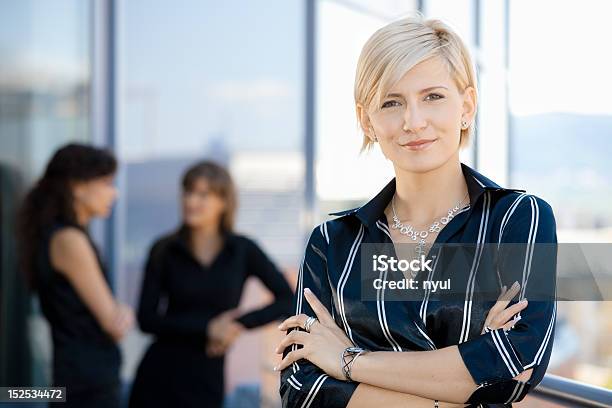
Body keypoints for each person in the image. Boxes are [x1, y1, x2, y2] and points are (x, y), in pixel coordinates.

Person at [276, 15, 557, 408]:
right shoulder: (332, 243)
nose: (413, 121)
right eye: (391, 102)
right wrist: (460, 374)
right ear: (366, 121)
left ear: (467, 106)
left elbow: (513, 368)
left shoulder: (517, 220)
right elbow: (301, 389)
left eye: (433, 97)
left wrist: (346, 360)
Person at [129, 160, 294, 408]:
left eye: (203, 194)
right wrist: (207, 327)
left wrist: (237, 324)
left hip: (207, 375)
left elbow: (287, 300)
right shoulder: (164, 250)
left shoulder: (242, 250)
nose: (191, 201)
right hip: (159, 374)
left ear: (224, 202)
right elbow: (146, 319)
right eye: (188, 191)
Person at [17, 143, 134, 408]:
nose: (113, 194)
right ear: (78, 187)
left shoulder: (55, 235)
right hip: (88, 388)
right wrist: (124, 312)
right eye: (106, 183)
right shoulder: (70, 240)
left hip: (73, 381)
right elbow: (113, 324)